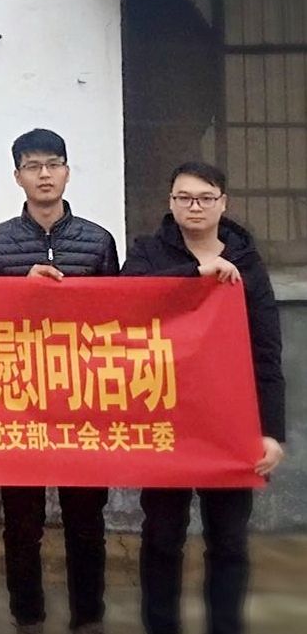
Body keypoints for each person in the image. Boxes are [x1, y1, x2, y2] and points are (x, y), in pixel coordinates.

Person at [121, 161, 285, 634]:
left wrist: (270, 432)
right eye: (185, 198)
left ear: (223, 203)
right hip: (165, 418)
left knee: (228, 540)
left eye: (205, 198)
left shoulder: (247, 263)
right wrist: (195, 274)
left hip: (228, 423)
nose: (195, 207)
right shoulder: (148, 252)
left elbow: (266, 352)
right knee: (162, 536)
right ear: (170, 203)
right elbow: (127, 300)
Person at [0, 128, 118, 634]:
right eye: (33, 166)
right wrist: (20, 290)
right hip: (19, 402)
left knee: (86, 522)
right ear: (18, 177)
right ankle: (27, 616)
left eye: (53, 164)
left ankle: (88, 617)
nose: (45, 175)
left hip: (82, 401)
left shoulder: (98, 241)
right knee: (22, 524)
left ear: (67, 172)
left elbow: (119, 319)